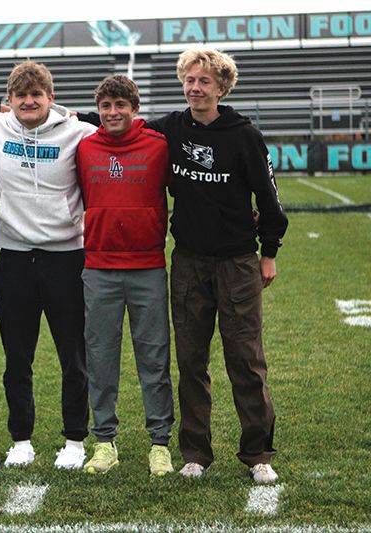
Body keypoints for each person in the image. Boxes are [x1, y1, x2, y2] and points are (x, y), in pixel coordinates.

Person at [146, 47, 288, 484]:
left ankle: (258, 453)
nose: (194, 88)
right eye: (189, 80)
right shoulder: (169, 128)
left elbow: (269, 200)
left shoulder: (244, 135)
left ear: (221, 87)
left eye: (203, 81)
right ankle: (195, 453)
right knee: (191, 360)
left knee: (245, 359)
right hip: (188, 261)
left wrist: (269, 252)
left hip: (237, 262)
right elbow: (122, 131)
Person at [0, 61, 95, 469]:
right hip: (14, 258)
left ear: (51, 96)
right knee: (17, 358)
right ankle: (21, 439)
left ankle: (75, 440)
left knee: (74, 355)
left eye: (37, 94)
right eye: (20, 95)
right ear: (9, 100)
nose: (29, 101)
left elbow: (122, 126)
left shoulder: (79, 131)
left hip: (67, 256)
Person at [75, 75, 175, 476]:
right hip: (99, 267)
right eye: (106, 106)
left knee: (154, 357)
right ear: (98, 110)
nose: (113, 112)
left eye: (121, 105)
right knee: (100, 358)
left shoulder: (158, 146)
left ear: (135, 109)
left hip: (147, 266)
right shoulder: (85, 147)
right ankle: (104, 442)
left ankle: (160, 443)